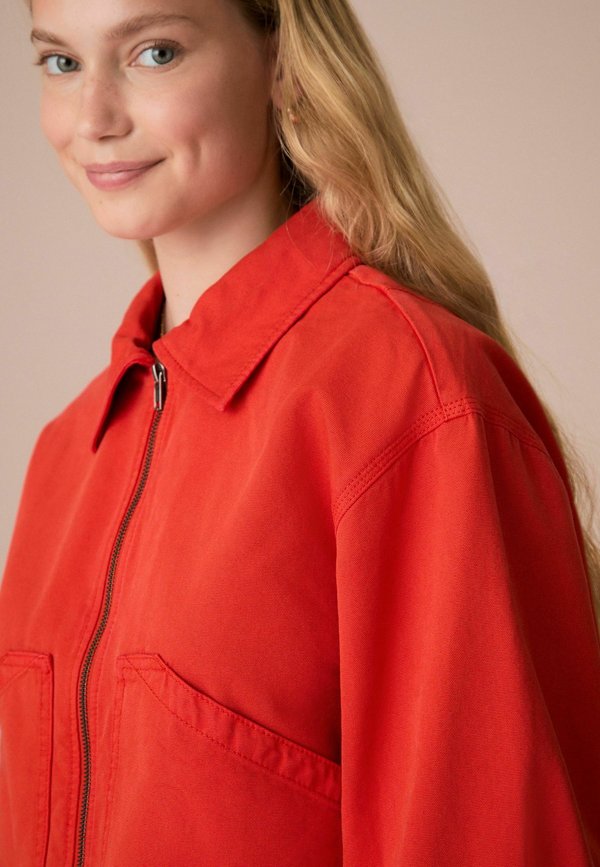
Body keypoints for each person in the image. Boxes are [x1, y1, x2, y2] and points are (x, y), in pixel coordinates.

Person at [1, 0, 599, 864]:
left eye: (154, 52)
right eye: (61, 62)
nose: (92, 117)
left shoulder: (410, 393)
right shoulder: (68, 452)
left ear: (282, 63)